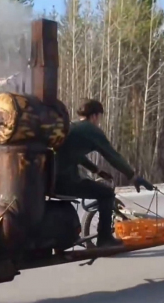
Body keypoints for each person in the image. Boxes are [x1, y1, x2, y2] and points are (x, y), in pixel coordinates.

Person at [54, 99, 153, 247]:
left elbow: (75, 155)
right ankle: (105, 238)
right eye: (99, 117)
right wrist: (133, 176)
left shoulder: (72, 127)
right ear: (94, 116)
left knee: (99, 190)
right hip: (66, 181)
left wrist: (97, 170)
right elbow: (112, 155)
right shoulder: (90, 129)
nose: (99, 121)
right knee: (106, 194)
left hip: (53, 179)